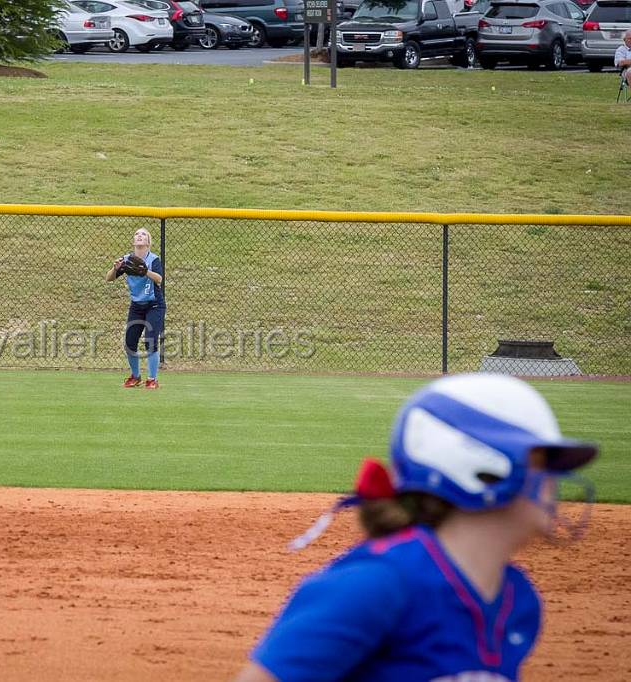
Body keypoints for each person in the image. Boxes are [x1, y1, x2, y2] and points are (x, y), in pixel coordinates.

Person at [235, 373, 598, 682]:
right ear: (482, 469)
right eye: (543, 465)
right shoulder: (376, 585)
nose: (555, 482)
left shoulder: (518, 603)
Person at [106, 228, 165, 389]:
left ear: (148, 242)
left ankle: (152, 379)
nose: (139, 236)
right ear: (134, 241)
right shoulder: (127, 260)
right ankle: (135, 376)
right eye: (137, 234)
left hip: (154, 305)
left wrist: (145, 271)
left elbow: (159, 279)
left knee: (150, 341)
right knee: (130, 342)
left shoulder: (153, 259)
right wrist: (116, 268)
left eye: (143, 234)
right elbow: (109, 278)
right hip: (137, 306)